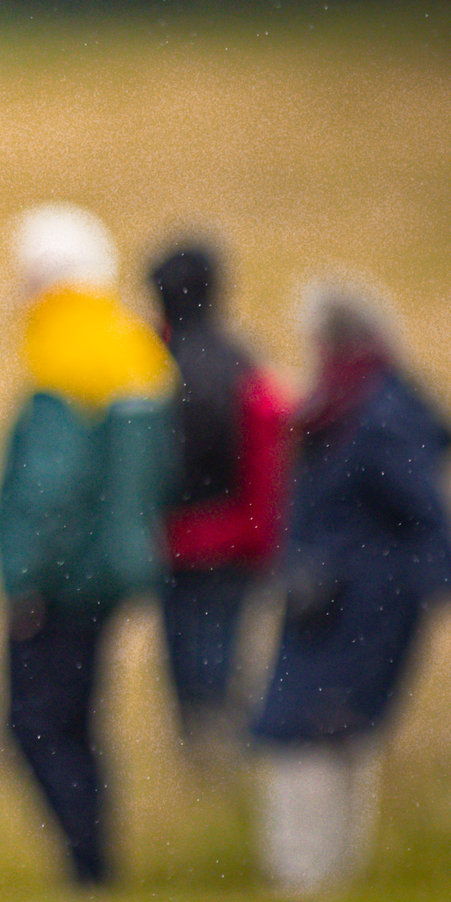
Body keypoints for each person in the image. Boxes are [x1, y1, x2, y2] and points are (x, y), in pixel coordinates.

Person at [253, 280, 451, 896]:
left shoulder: (374, 413)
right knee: (332, 731)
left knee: (316, 728)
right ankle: (318, 875)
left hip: (361, 603)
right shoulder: (350, 405)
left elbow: (427, 506)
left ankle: (309, 877)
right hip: (333, 598)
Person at [0, 206, 174, 888]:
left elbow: (50, 484)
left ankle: (87, 865)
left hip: (58, 585)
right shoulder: (133, 346)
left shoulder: (60, 349)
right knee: (82, 721)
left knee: (32, 724)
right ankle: (96, 861)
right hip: (112, 575)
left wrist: (24, 580)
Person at [146, 238, 291, 750]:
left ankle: (211, 768)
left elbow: (161, 466)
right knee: (225, 660)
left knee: (191, 668)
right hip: (242, 540)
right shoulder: (241, 359)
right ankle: (226, 769)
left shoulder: (161, 365)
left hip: (182, 542)